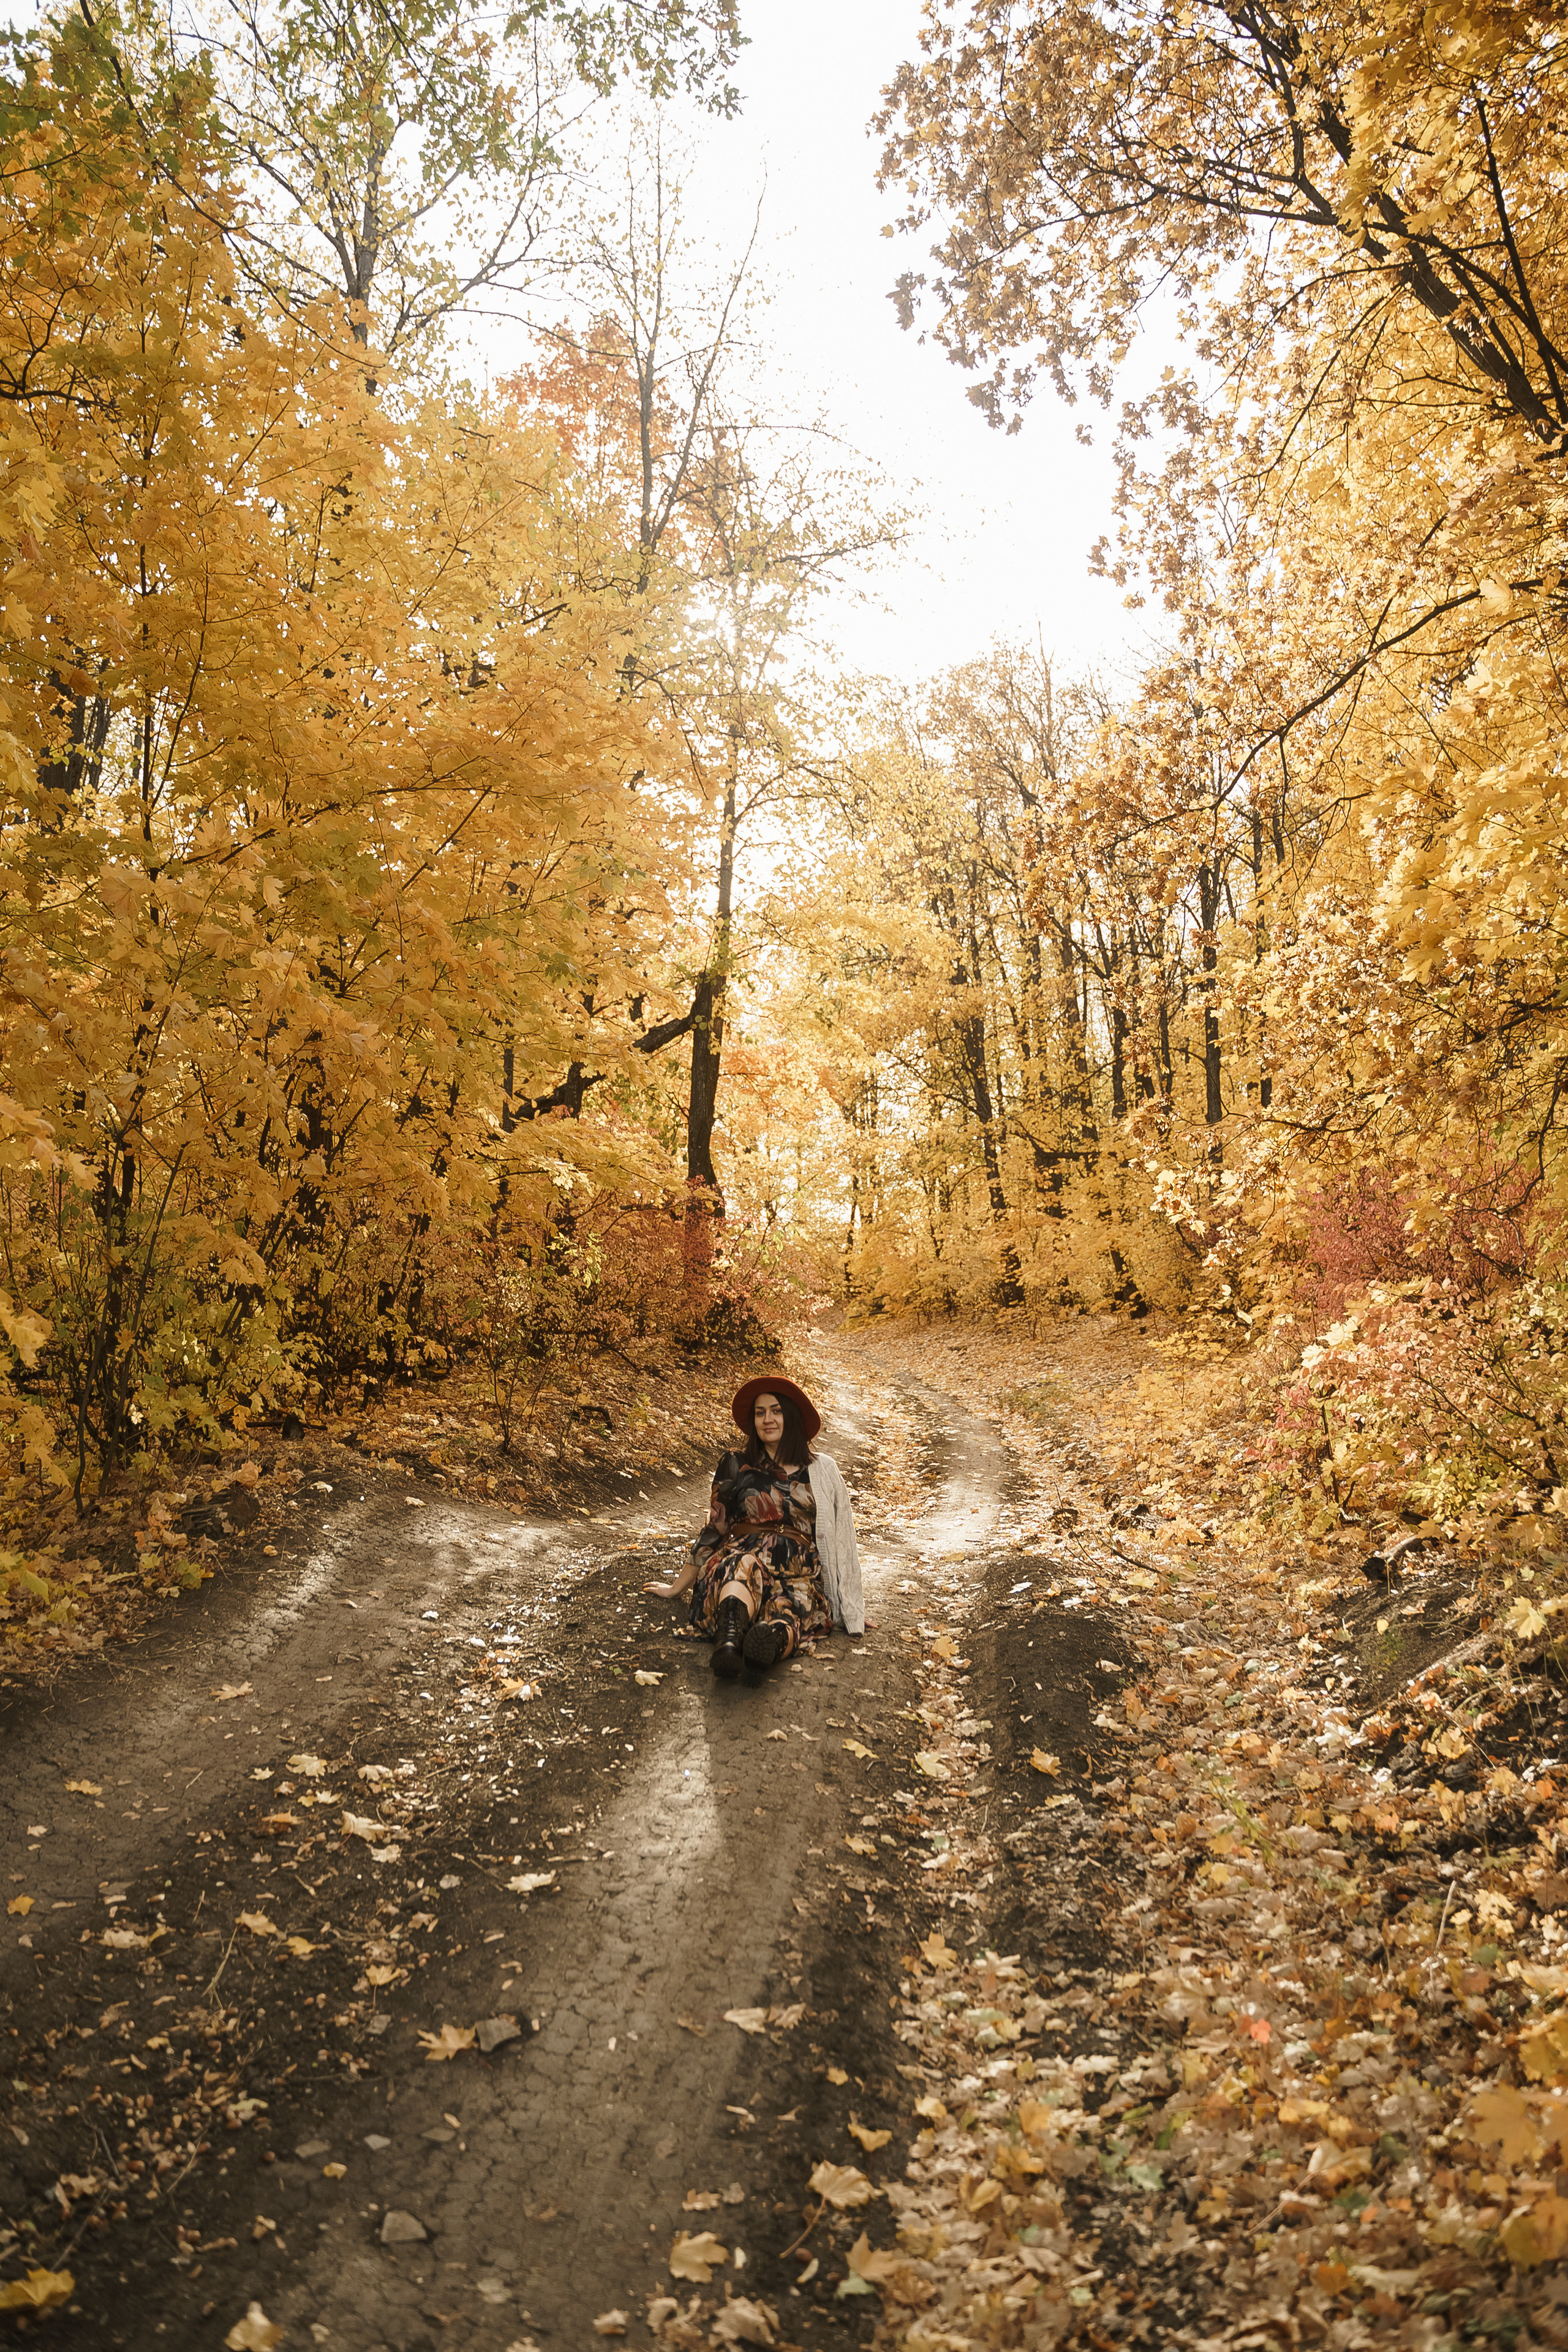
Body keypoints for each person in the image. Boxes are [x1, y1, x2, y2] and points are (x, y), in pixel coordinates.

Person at [643, 1374, 863, 1680]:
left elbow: (843, 1539)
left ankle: (767, 1648)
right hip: (741, 1559)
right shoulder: (736, 1462)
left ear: (792, 1416)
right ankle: (730, 1643)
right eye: (760, 1413)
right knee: (742, 1566)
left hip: (797, 1572)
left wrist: (852, 1609)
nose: (767, 1420)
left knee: (790, 1611)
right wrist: (676, 1588)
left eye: (776, 1411)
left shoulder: (821, 1469)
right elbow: (714, 1529)